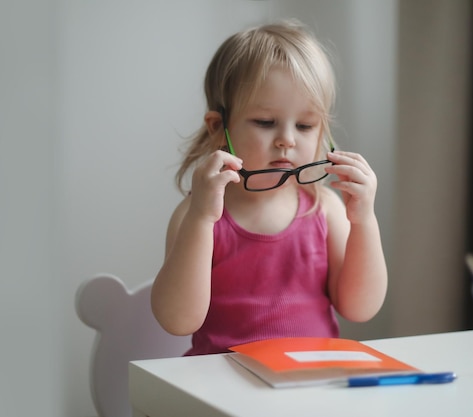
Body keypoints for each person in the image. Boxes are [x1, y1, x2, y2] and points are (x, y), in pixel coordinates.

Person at [151, 20, 388, 355]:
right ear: (220, 129)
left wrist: (365, 221)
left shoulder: (326, 209)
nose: (287, 140)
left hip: (308, 384)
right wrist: (201, 220)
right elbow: (177, 320)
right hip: (223, 384)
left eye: (305, 125)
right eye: (265, 122)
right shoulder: (198, 213)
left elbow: (360, 308)